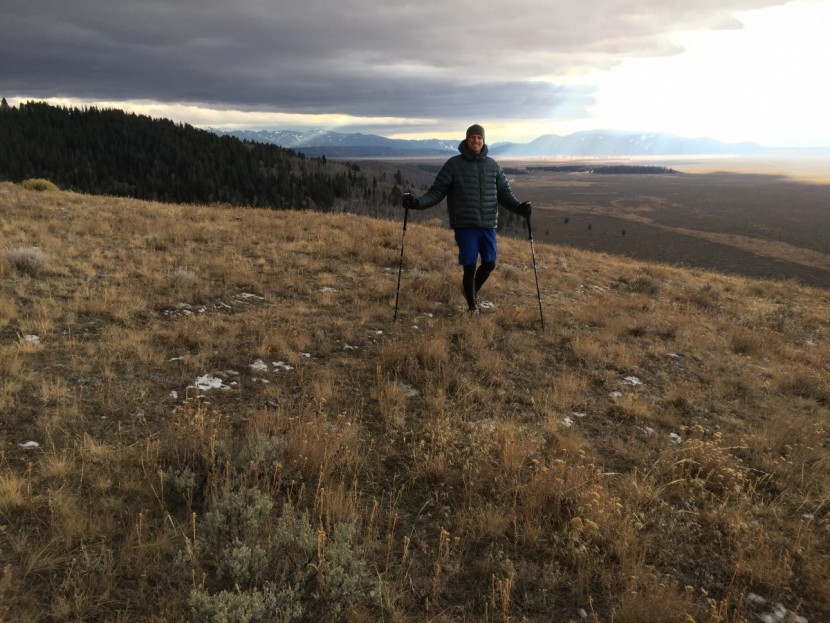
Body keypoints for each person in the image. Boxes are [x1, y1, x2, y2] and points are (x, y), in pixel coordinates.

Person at [402, 124, 531, 312]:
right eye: (473, 137)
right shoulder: (454, 164)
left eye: (480, 138)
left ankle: (471, 292)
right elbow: (437, 192)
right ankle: (472, 307)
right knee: (469, 266)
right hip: (465, 224)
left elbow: (505, 194)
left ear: (484, 141)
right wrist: (417, 203)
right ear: (467, 139)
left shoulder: (493, 165)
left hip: (488, 224)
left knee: (489, 263)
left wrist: (520, 208)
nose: (476, 141)